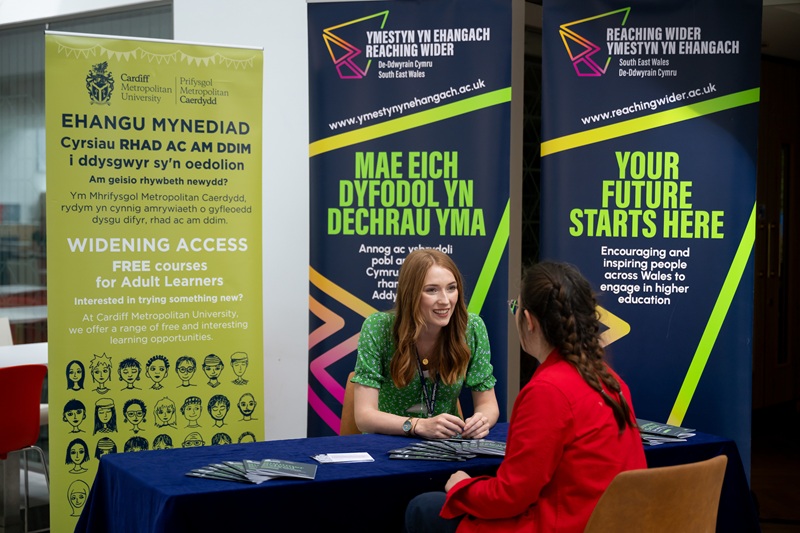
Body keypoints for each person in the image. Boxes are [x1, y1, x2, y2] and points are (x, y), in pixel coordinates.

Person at [405, 261, 647, 533]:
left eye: (515, 308)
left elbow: (511, 496)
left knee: (424, 508)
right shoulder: (610, 380)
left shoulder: (548, 391)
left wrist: (462, 487)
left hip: (563, 525)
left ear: (529, 321)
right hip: (609, 522)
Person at [352, 249, 498, 439]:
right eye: (431, 290)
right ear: (410, 294)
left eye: (451, 288)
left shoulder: (471, 328)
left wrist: (481, 420)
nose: (445, 301)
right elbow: (364, 417)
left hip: (446, 445)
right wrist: (418, 425)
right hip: (389, 442)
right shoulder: (378, 328)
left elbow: (488, 404)